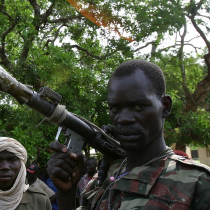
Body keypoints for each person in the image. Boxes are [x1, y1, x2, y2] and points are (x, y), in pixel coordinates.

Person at [47, 59, 210, 210]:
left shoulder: (198, 184)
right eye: (115, 109)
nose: (123, 119)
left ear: (165, 106)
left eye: (139, 107)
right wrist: (67, 192)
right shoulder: (106, 178)